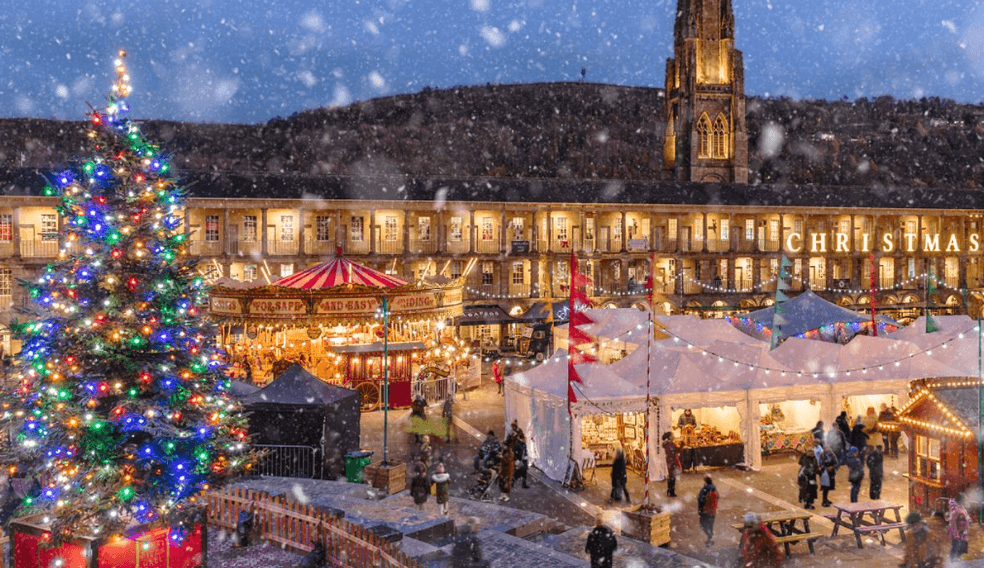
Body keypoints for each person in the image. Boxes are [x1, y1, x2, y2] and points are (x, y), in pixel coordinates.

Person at [697, 475, 719, 546]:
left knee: (702, 525)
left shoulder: (704, 490)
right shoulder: (715, 490)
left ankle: (710, 536)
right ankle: (710, 540)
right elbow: (717, 498)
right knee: (710, 525)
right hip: (713, 511)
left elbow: (701, 500)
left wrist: (700, 510)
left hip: (705, 511)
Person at [797, 443, 819, 510]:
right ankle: (807, 503)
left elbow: (815, 467)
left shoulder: (812, 458)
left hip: (811, 477)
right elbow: (806, 468)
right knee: (807, 490)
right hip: (805, 477)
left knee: (811, 490)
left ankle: (809, 503)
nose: (812, 453)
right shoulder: (805, 458)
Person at [662, 432, 681, 498]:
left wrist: (680, 446)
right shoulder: (669, 444)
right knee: (672, 477)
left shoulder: (670, 443)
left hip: (671, 461)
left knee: (672, 476)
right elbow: (673, 452)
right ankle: (671, 491)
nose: (674, 436)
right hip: (671, 461)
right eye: (672, 435)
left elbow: (675, 450)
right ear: (670, 437)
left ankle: (670, 491)